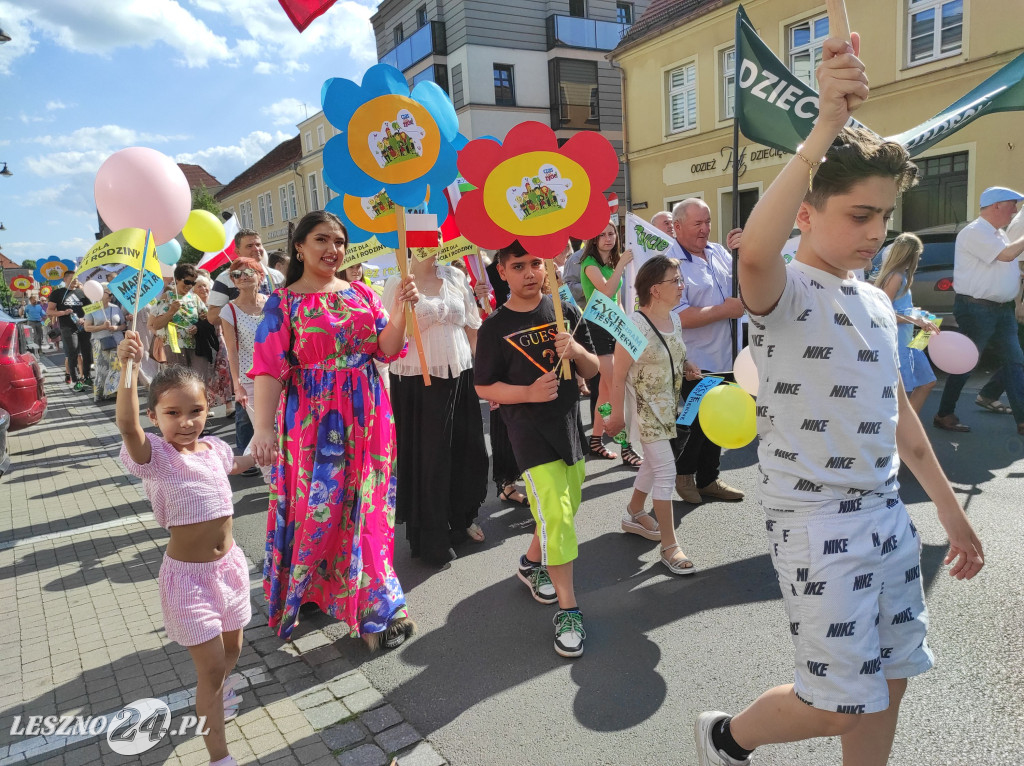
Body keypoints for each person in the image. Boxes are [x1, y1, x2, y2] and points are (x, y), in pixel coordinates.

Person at [697, 36, 985, 766]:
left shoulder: (879, 304)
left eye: (884, 216)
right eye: (859, 215)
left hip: (887, 515)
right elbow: (754, 257)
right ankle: (726, 737)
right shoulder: (784, 292)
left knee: (890, 682)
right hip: (814, 521)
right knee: (832, 702)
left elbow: (901, 422)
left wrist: (951, 516)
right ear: (805, 213)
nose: (875, 232)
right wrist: (824, 125)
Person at [247, 211, 420, 649]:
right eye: (321, 240)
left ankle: (377, 605)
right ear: (300, 247)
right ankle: (309, 586)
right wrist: (263, 429)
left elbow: (388, 350)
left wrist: (399, 310)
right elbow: (267, 369)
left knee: (368, 506)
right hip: (311, 420)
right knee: (317, 507)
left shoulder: (362, 293)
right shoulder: (282, 303)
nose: (333, 250)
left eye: (339, 241)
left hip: (369, 413)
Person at [116, 340, 256, 766]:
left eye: (194, 411)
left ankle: (216, 695)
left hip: (231, 571)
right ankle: (220, 757)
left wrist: (263, 450)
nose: (185, 422)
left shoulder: (213, 449)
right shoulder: (155, 455)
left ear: (207, 409)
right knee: (210, 670)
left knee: (232, 653)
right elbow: (126, 426)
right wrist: (127, 368)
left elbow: (234, 465)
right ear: (154, 416)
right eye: (172, 413)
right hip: (188, 581)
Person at [474, 241, 599, 658]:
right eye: (518, 266)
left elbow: (593, 367)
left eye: (535, 264)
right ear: (502, 272)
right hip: (527, 433)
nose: (529, 272)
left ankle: (530, 563)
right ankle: (569, 611)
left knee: (567, 507)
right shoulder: (494, 327)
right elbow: (484, 385)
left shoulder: (561, 311)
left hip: (569, 428)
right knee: (558, 517)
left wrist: (575, 349)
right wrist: (526, 391)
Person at [383, 251, 488, 565]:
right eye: (422, 236)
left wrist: (485, 373)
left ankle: (462, 518)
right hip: (418, 384)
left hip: (461, 375)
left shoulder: (455, 276)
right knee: (431, 460)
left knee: (467, 452)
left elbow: (472, 326)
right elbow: (389, 338)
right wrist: (405, 306)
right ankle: (431, 535)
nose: (433, 241)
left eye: (437, 234)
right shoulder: (397, 282)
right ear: (410, 243)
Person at [606, 256, 702, 574]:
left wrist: (687, 367)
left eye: (680, 279)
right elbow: (618, 376)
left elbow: (675, 352)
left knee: (653, 464)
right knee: (665, 471)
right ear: (655, 289)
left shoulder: (673, 319)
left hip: (671, 406)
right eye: (675, 280)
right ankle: (670, 547)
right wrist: (617, 417)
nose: (681, 285)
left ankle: (634, 512)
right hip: (645, 411)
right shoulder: (634, 325)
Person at [668, 199, 745, 504]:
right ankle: (684, 475)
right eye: (697, 223)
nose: (705, 229)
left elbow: (739, 289)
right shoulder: (669, 262)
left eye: (708, 222)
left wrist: (744, 253)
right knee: (696, 422)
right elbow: (677, 314)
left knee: (720, 419)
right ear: (677, 226)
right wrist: (723, 310)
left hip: (728, 354)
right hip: (694, 360)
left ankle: (709, 478)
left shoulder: (719, 253)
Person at [932, 187, 1024, 434]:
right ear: (996, 206)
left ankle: (1023, 421)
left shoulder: (998, 234)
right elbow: (1006, 257)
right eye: (1012, 205)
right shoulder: (974, 232)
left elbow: (1008, 267)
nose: (1015, 211)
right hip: (977, 309)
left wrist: (1014, 302)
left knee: (1016, 363)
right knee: (966, 362)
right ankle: (944, 413)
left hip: (1000, 310)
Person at [580, 222, 642, 466]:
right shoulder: (590, 265)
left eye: (611, 233)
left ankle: (595, 440)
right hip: (596, 329)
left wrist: (627, 328)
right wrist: (620, 266)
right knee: (614, 388)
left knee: (606, 392)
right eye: (602, 234)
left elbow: (617, 300)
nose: (608, 238)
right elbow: (606, 291)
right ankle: (626, 446)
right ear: (593, 240)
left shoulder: (609, 265)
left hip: (615, 328)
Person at [875, 234, 941, 414]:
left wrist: (919, 314)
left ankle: (906, 428)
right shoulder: (895, 277)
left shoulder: (901, 276)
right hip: (898, 345)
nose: (919, 259)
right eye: (917, 254)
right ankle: (902, 433)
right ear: (908, 255)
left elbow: (901, 308)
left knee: (927, 382)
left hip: (909, 343)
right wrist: (916, 319)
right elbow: (883, 313)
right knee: (901, 392)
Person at [220, 257, 268, 477]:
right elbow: (232, 351)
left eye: (248, 271)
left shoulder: (272, 303)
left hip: (279, 377)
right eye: (237, 274)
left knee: (286, 430)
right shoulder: (229, 311)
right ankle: (272, 481)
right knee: (263, 433)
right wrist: (237, 385)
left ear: (261, 275)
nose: (243, 277)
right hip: (250, 381)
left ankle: (287, 478)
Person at [206, 230, 284, 327]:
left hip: (276, 337)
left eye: (258, 245)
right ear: (237, 252)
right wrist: (241, 308)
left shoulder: (277, 276)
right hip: (246, 339)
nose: (256, 249)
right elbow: (212, 317)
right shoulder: (225, 278)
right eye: (249, 246)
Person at [193, 272, 235, 417]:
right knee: (207, 375)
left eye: (205, 285)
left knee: (224, 371)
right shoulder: (191, 305)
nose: (203, 289)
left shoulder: (216, 302)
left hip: (220, 338)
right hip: (203, 344)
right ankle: (207, 404)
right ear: (193, 289)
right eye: (199, 286)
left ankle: (229, 405)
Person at [47, 269, 93, 392]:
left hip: (83, 326)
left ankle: (87, 377)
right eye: (72, 279)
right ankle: (75, 380)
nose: (75, 281)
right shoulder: (57, 293)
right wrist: (63, 312)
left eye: (76, 279)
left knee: (87, 352)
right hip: (67, 327)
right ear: (64, 280)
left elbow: (89, 309)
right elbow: (49, 311)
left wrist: (84, 318)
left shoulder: (82, 293)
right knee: (73, 353)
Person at [82, 287, 128, 401]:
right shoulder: (91, 309)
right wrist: (102, 327)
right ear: (100, 293)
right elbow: (87, 327)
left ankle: (113, 392)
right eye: (109, 293)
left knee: (117, 368)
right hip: (100, 341)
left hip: (117, 341)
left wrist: (116, 327)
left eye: (112, 294)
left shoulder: (116, 308)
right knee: (102, 368)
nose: (111, 296)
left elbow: (124, 325)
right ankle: (100, 393)